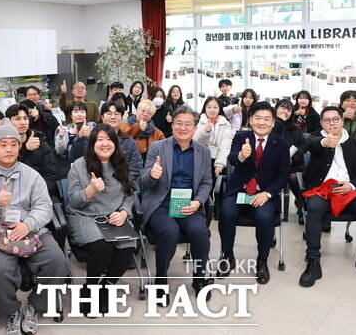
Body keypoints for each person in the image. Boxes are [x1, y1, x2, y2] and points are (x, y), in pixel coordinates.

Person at [0, 119, 69, 335]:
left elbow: (44, 207)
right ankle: (11, 311)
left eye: (13, 144)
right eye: (3, 144)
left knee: (58, 261)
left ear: (19, 147)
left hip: (31, 232)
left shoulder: (32, 175)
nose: (9, 149)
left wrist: (27, 224)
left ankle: (35, 305)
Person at [299, 106, 356, 287]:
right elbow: (307, 146)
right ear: (321, 123)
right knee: (313, 208)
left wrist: (351, 185)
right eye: (327, 121)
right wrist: (324, 143)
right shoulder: (315, 139)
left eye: (335, 119)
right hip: (322, 191)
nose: (332, 123)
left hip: (348, 191)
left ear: (342, 121)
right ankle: (313, 261)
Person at [140, 106, 213, 304]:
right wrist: (151, 175)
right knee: (169, 232)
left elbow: (207, 182)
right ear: (172, 125)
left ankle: (199, 279)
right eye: (178, 123)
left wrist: (198, 202)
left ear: (195, 127)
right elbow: (144, 181)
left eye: (188, 124)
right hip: (161, 203)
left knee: (200, 232)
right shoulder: (158, 147)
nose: (183, 128)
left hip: (189, 204)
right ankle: (160, 280)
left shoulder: (203, 152)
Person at [66, 123, 136, 315]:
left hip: (114, 216)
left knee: (128, 247)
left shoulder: (121, 163)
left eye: (109, 139)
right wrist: (91, 190)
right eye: (99, 140)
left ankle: (105, 288)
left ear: (115, 143)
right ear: (92, 144)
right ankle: (89, 289)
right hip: (84, 216)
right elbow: (73, 200)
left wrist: (123, 212)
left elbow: (130, 195)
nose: (105, 144)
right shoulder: (79, 166)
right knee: (102, 246)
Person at [218, 101, 289, 284]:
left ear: (273, 122)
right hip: (239, 190)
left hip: (264, 193)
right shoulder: (241, 137)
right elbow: (232, 159)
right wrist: (242, 155)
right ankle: (227, 255)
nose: (262, 123)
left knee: (265, 218)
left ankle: (262, 260)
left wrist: (268, 194)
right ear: (250, 120)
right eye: (258, 118)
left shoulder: (281, 144)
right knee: (226, 212)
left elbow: (283, 176)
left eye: (267, 119)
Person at [69, 101, 143, 182]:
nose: (113, 117)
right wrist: (80, 137)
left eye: (117, 114)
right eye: (109, 113)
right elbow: (75, 159)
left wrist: (120, 185)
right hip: (94, 185)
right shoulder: (90, 138)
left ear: (122, 118)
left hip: (122, 186)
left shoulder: (129, 142)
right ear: (102, 117)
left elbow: (135, 169)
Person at [273, 99, 307, 223]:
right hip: (273, 165)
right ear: (276, 109)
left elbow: (302, 146)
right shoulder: (270, 125)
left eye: (289, 109)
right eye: (282, 108)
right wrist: (279, 122)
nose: (285, 111)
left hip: (292, 164)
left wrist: (293, 158)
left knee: (294, 177)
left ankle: (302, 205)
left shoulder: (295, 129)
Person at [194, 97, 234, 180]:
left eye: (215, 107)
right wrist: (204, 132)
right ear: (205, 108)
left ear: (219, 109)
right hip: (200, 160)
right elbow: (195, 142)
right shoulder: (199, 122)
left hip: (216, 159)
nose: (212, 110)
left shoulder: (225, 124)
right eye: (209, 107)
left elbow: (225, 146)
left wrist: (220, 164)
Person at [120, 99, 165, 164]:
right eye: (143, 111)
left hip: (149, 166)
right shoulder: (124, 125)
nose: (145, 114)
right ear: (137, 110)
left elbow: (163, 151)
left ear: (152, 116)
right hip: (128, 163)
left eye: (149, 113)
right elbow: (125, 140)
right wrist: (137, 127)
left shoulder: (158, 133)